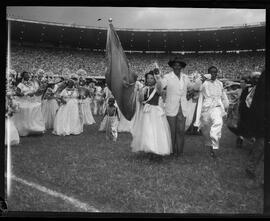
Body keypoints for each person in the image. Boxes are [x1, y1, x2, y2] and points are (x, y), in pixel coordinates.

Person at [156, 57, 201, 157]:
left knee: (181, 130)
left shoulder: (185, 77)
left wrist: (200, 80)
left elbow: (193, 87)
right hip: (171, 107)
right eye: (175, 65)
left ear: (181, 67)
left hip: (183, 108)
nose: (177, 66)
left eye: (179, 65)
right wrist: (158, 78)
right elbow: (160, 87)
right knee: (171, 130)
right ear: (172, 66)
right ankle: (171, 151)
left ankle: (179, 151)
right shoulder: (167, 77)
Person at [131, 71, 172, 156]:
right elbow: (141, 100)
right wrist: (141, 94)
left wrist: (158, 77)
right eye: (148, 78)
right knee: (147, 130)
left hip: (155, 112)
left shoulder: (157, 88)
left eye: (152, 78)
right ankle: (148, 147)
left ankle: (156, 148)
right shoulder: (144, 88)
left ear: (155, 79)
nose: (149, 80)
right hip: (146, 112)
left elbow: (161, 89)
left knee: (156, 130)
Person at [193, 66, 229, 158]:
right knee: (206, 130)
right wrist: (202, 79)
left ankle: (215, 148)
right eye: (211, 72)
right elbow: (196, 88)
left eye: (215, 72)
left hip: (216, 108)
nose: (213, 74)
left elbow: (223, 95)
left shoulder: (220, 83)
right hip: (206, 109)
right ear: (208, 73)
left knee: (217, 124)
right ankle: (211, 148)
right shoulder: (204, 83)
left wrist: (226, 105)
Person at [245, 70, 265, 185]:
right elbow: (252, 101)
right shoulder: (259, 87)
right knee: (260, 144)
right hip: (263, 119)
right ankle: (251, 167)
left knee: (260, 144)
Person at [12, 71, 45, 136]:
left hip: (31, 101)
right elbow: (17, 93)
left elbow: (35, 92)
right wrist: (25, 94)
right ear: (23, 76)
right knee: (26, 114)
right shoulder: (20, 84)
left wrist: (36, 92)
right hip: (23, 102)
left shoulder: (31, 84)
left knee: (34, 113)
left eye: (28, 75)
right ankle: (24, 129)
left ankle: (33, 129)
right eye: (26, 75)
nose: (28, 76)